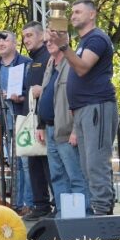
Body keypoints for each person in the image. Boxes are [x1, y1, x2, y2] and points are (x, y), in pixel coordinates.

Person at [50, 0, 118, 216]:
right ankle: (99, 208)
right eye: (72, 12)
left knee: (96, 163)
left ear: (92, 14)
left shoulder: (96, 38)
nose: (73, 15)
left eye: (78, 12)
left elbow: (82, 68)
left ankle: (102, 211)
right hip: (83, 108)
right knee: (87, 164)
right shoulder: (82, 42)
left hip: (96, 105)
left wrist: (63, 46)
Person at [36, 31, 88, 217]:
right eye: (45, 41)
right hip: (50, 128)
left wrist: (76, 129)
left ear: (63, 40)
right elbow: (45, 95)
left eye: (51, 40)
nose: (48, 43)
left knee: (75, 175)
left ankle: (83, 215)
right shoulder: (50, 64)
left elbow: (79, 97)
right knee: (57, 176)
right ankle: (64, 214)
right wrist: (40, 124)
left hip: (66, 129)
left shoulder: (72, 62)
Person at [0, 31, 34, 215]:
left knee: (26, 162)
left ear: (15, 43)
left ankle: (30, 203)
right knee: (13, 163)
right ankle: (16, 203)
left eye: (5, 39)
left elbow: (31, 91)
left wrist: (9, 95)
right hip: (6, 121)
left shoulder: (26, 63)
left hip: (23, 118)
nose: (0, 43)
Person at [21, 21, 53, 221]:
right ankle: (40, 204)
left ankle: (56, 203)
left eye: (30, 35)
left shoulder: (48, 57)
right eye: (24, 37)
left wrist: (42, 90)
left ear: (42, 36)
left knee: (48, 164)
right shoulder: (31, 62)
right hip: (30, 118)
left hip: (45, 119)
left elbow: (51, 86)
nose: (26, 40)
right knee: (33, 162)